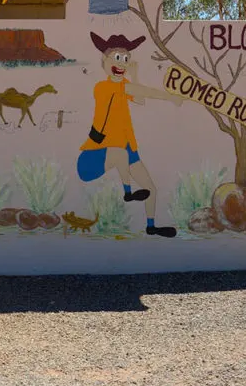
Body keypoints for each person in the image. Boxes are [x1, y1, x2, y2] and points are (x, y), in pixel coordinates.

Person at [77, 32, 183, 238]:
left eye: (126, 59)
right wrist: (170, 97)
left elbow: (140, 98)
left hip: (126, 147)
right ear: (104, 61)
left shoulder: (124, 87)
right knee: (119, 155)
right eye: (117, 58)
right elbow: (143, 92)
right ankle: (127, 193)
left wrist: (135, 74)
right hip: (93, 155)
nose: (122, 63)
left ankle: (151, 226)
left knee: (150, 187)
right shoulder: (102, 88)